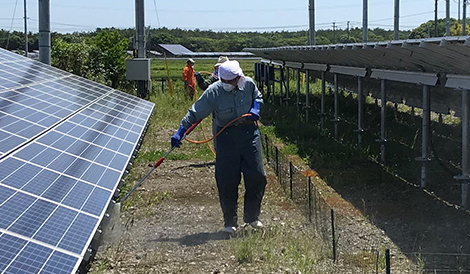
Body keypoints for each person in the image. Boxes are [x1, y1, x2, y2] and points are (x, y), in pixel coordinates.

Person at [171, 60, 267, 234]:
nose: (236, 83)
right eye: (231, 81)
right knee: (227, 180)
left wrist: (256, 107)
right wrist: (181, 130)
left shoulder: (248, 84)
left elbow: (257, 96)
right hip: (226, 138)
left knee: (257, 176)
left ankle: (252, 218)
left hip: (249, 135)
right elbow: (195, 112)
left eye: (237, 79)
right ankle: (230, 223)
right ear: (223, 80)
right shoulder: (213, 92)